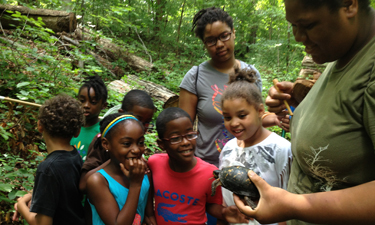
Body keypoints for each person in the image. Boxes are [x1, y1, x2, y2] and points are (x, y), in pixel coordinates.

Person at [234, 0, 375, 224]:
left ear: (349, 5)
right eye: (293, 26)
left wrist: (293, 205)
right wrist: (304, 103)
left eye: (307, 25)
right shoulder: (346, 50)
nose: (298, 37)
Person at [179, 7, 263, 168]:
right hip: (206, 166)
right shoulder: (195, 76)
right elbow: (183, 128)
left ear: (233, 33)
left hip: (244, 164)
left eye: (224, 36)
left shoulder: (251, 74)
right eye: (211, 40)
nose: (219, 44)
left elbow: (258, 120)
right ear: (204, 44)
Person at [148, 107, 249, 225]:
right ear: (161, 144)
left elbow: (210, 205)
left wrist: (224, 213)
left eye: (190, 135)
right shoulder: (154, 163)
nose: (186, 142)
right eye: (175, 138)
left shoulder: (210, 173)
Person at [220, 68, 292, 225]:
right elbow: (225, 198)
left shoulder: (281, 149)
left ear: (260, 111)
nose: (233, 123)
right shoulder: (228, 149)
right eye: (227, 117)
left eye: (242, 115)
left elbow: (290, 204)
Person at [13, 94, 85, 225]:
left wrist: (21, 204)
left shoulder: (48, 169)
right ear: (77, 131)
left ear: (40, 125)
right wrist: (30, 195)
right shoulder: (75, 156)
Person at [80, 89, 155, 194]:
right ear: (121, 113)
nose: (141, 126)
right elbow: (83, 184)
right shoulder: (102, 142)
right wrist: (116, 161)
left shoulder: (136, 146)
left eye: (147, 122)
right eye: (137, 119)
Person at [86, 113, 155, 225]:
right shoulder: (98, 181)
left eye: (140, 142)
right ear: (106, 144)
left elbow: (149, 214)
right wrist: (135, 184)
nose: (136, 150)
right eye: (127, 144)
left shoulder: (144, 173)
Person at [71, 75, 108, 160]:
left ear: (103, 105)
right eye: (82, 101)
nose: (86, 105)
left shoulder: (102, 132)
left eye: (93, 102)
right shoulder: (71, 126)